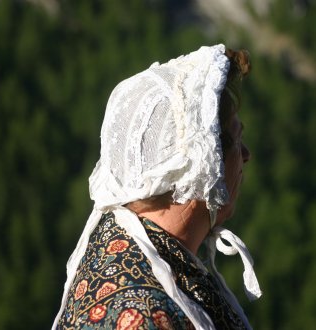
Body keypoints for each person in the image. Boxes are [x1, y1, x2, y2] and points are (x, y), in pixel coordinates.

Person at [52, 44, 262, 329]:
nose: (246, 154)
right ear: (202, 163)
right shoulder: (142, 316)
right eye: (237, 140)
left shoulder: (128, 244)